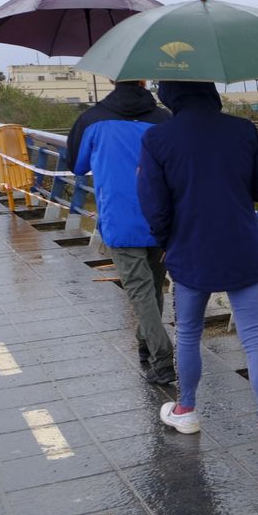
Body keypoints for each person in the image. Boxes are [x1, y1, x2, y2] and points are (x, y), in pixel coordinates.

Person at [137, 80, 258, 455]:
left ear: (169, 95)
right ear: (210, 90)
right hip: (242, 247)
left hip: (190, 249)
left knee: (189, 333)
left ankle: (186, 410)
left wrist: (166, 242)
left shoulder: (157, 138)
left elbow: (154, 205)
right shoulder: (243, 130)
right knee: (253, 337)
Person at [64, 80, 175, 384]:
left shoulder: (92, 119)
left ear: (113, 79)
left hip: (119, 218)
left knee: (139, 290)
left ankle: (163, 357)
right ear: (144, 81)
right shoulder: (165, 119)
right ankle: (146, 343)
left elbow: (76, 165)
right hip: (161, 217)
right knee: (153, 287)